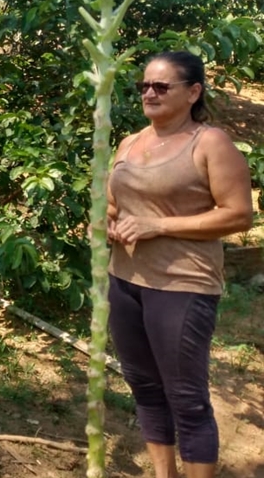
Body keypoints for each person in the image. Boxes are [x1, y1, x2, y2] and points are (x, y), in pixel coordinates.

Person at [106, 51, 253, 478]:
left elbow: (238, 214)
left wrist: (160, 226)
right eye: (144, 86)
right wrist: (107, 222)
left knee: (186, 397)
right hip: (125, 281)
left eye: (161, 86)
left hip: (183, 285)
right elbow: (113, 205)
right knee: (146, 388)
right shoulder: (130, 142)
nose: (149, 93)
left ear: (193, 92)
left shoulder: (210, 143)